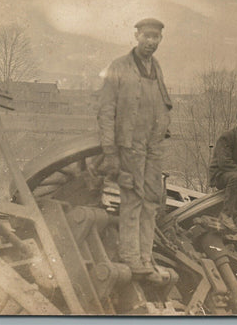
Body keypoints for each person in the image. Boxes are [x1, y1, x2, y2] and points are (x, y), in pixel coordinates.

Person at [97, 18, 172, 280]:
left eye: (156, 38)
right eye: (147, 36)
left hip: (153, 145)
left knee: (151, 201)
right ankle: (130, 256)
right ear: (137, 35)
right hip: (129, 145)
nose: (151, 42)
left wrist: (163, 127)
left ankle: (145, 258)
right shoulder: (118, 67)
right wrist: (110, 151)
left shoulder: (156, 67)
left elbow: (163, 102)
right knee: (132, 198)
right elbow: (106, 111)